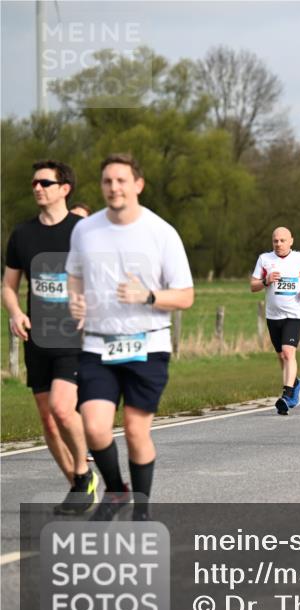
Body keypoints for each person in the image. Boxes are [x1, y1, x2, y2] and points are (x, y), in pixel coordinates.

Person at [67, 153, 194, 520]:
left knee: (136, 431)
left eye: (121, 180)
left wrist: (148, 296)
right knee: (94, 426)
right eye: (107, 181)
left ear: (138, 185)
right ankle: (117, 491)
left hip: (148, 344)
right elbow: (74, 273)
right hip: (97, 344)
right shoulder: (85, 230)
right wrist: (76, 300)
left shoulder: (161, 233)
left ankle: (141, 507)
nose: (113, 187)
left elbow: (185, 295)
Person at [2, 160, 92, 514]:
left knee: (61, 408)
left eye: (45, 182)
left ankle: (84, 475)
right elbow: (8, 286)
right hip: (36, 338)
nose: (37, 188)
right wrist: (15, 312)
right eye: (34, 183)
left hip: (73, 337)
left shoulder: (85, 231)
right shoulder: (22, 235)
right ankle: (79, 487)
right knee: (47, 421)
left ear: (64, 188)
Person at [250, 227, 300, 415]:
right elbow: (252, 286)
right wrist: (266, 281)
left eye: (282, 240)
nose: (278, 244)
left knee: (288, 353)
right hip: (273, 316)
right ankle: (295, 383)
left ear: (291, 241)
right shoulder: (265, 259)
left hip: (294, 314)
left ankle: (287, 395)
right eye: (275, 241)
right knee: (281, 356)